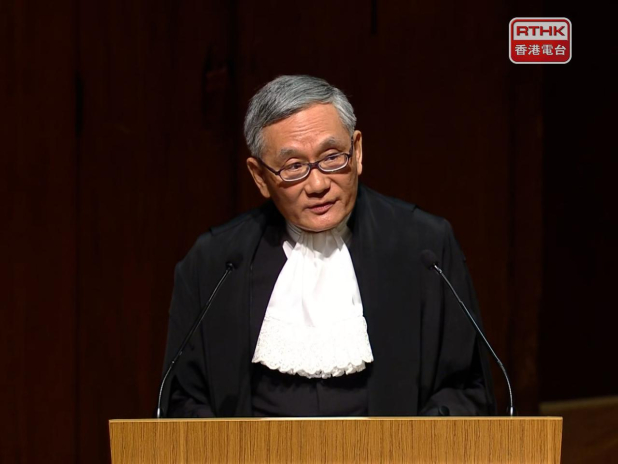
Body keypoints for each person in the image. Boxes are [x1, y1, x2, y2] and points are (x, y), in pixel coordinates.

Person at [161, 75, 496, 417]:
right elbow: (183, 400)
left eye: (332, 157)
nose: (318, 184)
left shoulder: (425, 248)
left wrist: (408, 441)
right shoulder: (215, 262)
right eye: (294, 167)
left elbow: (466, 389)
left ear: (357, 151)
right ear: (260, 177)